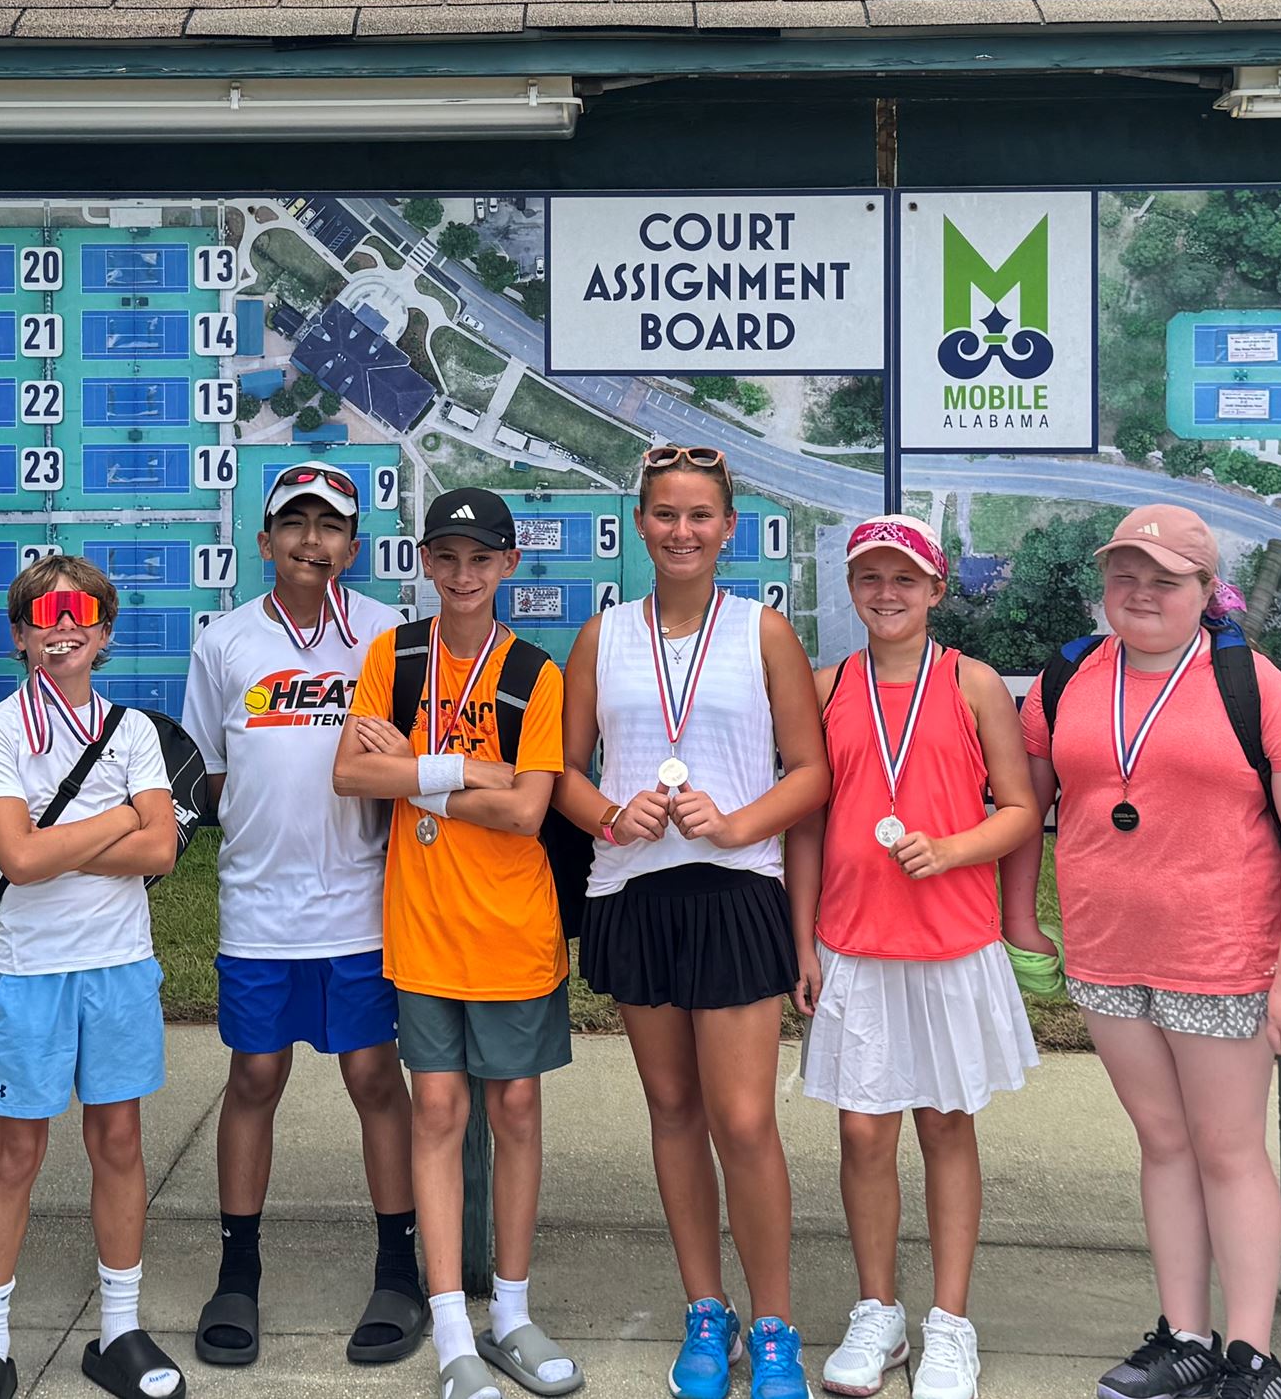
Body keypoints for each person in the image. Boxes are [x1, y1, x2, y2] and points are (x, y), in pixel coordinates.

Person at [1000, 503, 1281, 1399]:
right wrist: (1021, 916)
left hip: (1223, 956)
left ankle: (1249, 1353)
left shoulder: (1256, 687)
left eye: (1164, 577)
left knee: (1228, 1150)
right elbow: (1031, 806)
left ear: (1205, 589)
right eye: (1125, 573)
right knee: (1161, 1142)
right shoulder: (1068, 676)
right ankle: (1184, 1334)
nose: (1140, 591)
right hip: (1107, 954)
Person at [552, 445, 830, 1399]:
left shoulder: (764, 632)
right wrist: (607, 816)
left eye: (700, 516)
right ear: (640, 524)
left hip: (735, 892)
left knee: (745, 1122)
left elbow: (810, 771)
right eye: (665, 514)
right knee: (673, 1112)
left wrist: (737, 822)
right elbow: (568, 769)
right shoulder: (603, 635)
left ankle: (778, 1325)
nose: (681, 531)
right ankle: (705, 1312)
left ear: (728, 529)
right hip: (634, 893)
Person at [333, 486, 579, 1399]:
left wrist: (415, 773)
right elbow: (352, 772)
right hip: (424, 927)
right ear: (424, 564)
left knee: (513, 1111)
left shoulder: (535, 675)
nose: (464, 574)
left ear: (509, 566)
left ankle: (510, 1313)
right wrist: (460, 764)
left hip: (515, 931)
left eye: (482, 558)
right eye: (446, 557)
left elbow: (526, 811)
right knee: (436, 1113)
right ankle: (451, 1332)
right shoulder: (392, 656)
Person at [788, 515, 1042, 1399]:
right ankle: (878, 1313)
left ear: (936, 589)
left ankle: (950, 1323)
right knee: (862, 1130)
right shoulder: (825, 688)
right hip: (853, 942)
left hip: (950, 941)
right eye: (870, 579)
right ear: (852, 590)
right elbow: (808, 825)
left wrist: (956, 849)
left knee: (944, 1123)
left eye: (905, 579)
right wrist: (803, 941)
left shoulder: (973, 686)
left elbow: (1017, 809)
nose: (886, 594)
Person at [179, 465, 420, 1371]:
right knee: (254, 1079)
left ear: (353, 547)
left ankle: (397, 1269)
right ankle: (237, 1273)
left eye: (330, 528)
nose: (311, 541)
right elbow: (204, 768)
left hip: (361, 902)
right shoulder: (227, 642)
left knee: (372, 1076)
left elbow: (415, 761)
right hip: (259, 907)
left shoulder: (389, 637)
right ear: (264, 539)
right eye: (294, 524)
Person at [0, 558, 181, 1399]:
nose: (63, 627)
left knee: (118, 1142)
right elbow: (18, 856)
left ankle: (120, 1332)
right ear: (20, 635)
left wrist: (67, 843)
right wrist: (121, 815)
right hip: (29, 972)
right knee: (16, 1151)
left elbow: (165, 850)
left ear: (105, 632)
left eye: (81, 614)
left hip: (118, 969)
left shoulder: (135, 730)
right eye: (43, 615)